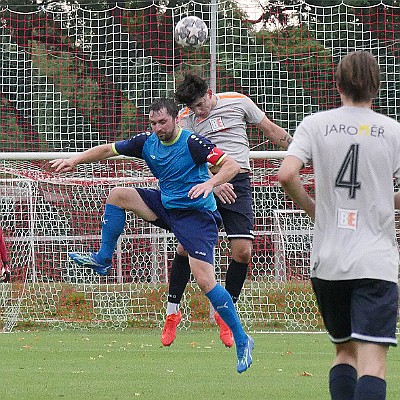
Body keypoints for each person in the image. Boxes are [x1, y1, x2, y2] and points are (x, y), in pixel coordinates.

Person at [49, 98, 254, 373]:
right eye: (153, 123)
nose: (158, 128)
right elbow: (108, 150)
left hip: (196, 216)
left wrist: (210, 183)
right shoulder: (147, 142)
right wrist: (75, 159)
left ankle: (242, 340)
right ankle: (103, 258)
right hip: (167, 206)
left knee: (205, 281)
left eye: (163, 122)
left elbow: (230, 165)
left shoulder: (193, 142)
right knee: (118, 195)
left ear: (176, 120)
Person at [277, 51, 400, 400]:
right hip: (375, 261)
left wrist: (313, 209)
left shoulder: (315, 124)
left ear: (337, 84)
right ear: (377, 86)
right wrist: (381, 202)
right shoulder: (393, 131)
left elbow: (286, 174)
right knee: (372, 362)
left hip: (329, 259)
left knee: (343, 353)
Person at [161, 73, 292, 347]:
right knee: (185, 249)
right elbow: (184, 158)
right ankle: (172, 312)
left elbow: (270, 130)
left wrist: (299, 148)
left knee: (243, 252)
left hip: (239, 184)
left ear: (209, 93)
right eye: (193, 108)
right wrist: (213, 182)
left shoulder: (239, 102)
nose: (198, 112)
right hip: (204, 184)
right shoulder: (184, 119)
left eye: (200, 105)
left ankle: (225, 314)